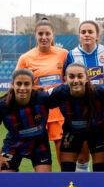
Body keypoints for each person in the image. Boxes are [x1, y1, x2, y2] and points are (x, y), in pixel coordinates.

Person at [15, 18, 68, 167]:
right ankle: (43, 184)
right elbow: (16, 84)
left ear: (53, 35)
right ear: (35, 36)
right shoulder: (25, 58)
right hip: (37, 111)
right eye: (40, 34)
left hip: (58, 111)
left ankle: (65, 181)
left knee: (62, 150)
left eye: (47, 33)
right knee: (39, 150)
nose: (44, 37)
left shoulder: (63, 54)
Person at [46, 63, 104, 172]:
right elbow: (43, 103)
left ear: (87, 78)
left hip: (98, 132)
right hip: (72, 132)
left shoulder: (99, 93)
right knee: (67, 171)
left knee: (100, 171)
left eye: (80, 76)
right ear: (65, 79)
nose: (76, 80)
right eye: (71, 77)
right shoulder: (59, 93)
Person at [64, 20, 104, 171]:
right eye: (83, 32)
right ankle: (83, 181)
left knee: (100, 148)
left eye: (90, 32)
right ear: (79, 36)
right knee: (82, 153)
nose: (87, 35)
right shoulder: (72, 55)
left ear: (97, 35)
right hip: (79, 109)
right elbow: (66, 80)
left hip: (101, 109)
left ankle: (98, 183)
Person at [0, 69, 52, 172]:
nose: (22, 88)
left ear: (33, 84)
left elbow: (63, 95)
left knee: (44, 180)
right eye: (19, 84)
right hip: (13, 146)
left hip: (39, 145)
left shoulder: (43, 98)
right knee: (4, 180)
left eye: (26, 84)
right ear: (12, 84)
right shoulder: (1, 106)